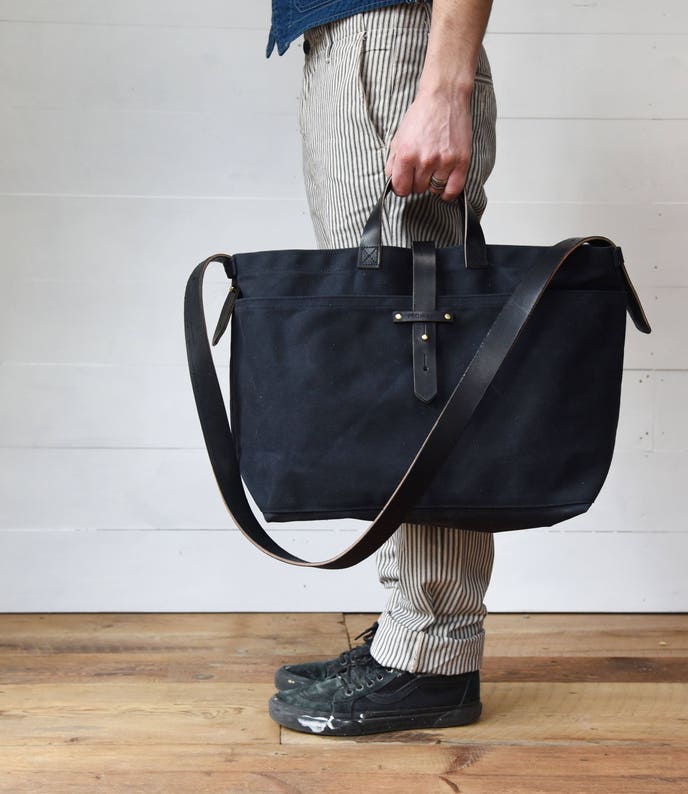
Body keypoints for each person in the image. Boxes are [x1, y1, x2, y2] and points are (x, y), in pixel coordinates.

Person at [265, 0, 497, 736]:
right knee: (390, 349)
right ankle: (412, 631)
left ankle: (435, 650)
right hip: (348, 42)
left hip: (394, 39)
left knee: (420, 348)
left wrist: (444, 86)